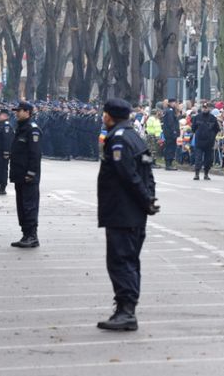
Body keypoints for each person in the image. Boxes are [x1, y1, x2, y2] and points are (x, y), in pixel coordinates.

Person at [97, 99, 160, 331]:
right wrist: (150, 200)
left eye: (104, 114)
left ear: (110, 116)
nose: (103, 117)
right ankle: (125, 307)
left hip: (122, 210)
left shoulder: (119, 140)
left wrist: (145, 200)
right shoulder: (135, 137)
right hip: (133, 212)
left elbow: (129, 176)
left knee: (120, 260)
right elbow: (148, 173)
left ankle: (126, 311)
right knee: (130, 260)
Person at [9, 101, 42, 248]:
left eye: (19, 111)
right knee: (21, 206)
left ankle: (32, 236)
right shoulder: (21, 128)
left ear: (28, 112)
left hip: (28, 176)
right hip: (19, 174)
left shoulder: (32, 129)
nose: (17, 113)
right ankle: (25, 234)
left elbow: (35, 154)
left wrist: (31, 172)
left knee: (29, 206)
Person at [191, 102, 220, 180]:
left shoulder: (213, 118)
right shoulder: (197, 117)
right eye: (203, 107)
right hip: (199, 141)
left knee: (208, 160)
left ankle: (206, 174)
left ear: (209, 109)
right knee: (198, 158)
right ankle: (197, 174)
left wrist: (212, 136)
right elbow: (193, 128)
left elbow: (217, 129)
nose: (205, 109)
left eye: (206, 107)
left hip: (209, 142)